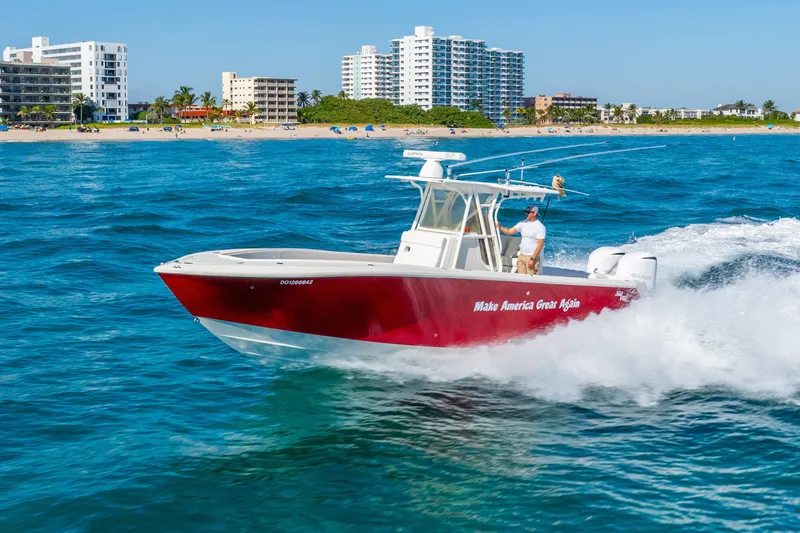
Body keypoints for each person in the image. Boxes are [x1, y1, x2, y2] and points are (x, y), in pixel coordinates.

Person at [496, 206, 546, 275]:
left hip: (531, 257)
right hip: (522, 256)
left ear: (534, 213)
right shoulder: (522, 223)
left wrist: (532, 259)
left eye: (528, 212)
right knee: (521, 279)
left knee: (530, 280)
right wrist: (499, 227)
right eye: (526, 212)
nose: (526, 214)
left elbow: (540, 245)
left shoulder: (540, 227)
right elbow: (509, 231)